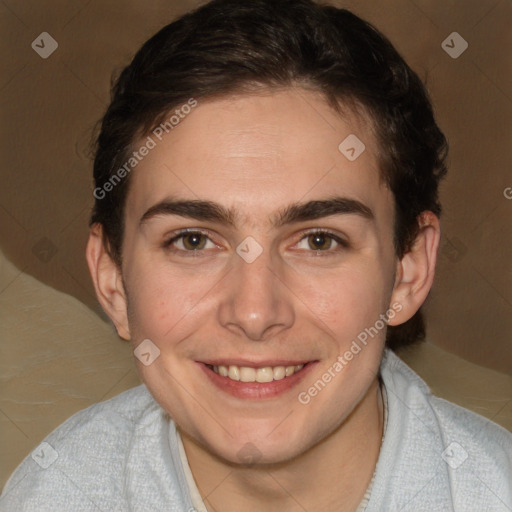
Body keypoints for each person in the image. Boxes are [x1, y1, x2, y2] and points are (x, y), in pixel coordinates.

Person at [1, 0, 511, 510]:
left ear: (408, 273)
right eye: (193, 241)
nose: (254, 313)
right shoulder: (49, 495)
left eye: (318, 241)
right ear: (113, 280)